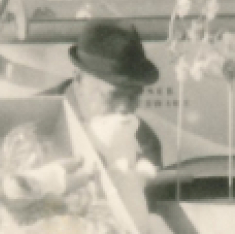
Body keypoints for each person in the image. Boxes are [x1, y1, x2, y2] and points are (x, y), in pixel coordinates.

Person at [49, 18, 163, 168]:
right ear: (79, 79)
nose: (124, 108)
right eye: (113, 95)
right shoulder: (33, 123)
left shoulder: (144, 142)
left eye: (133, 95)